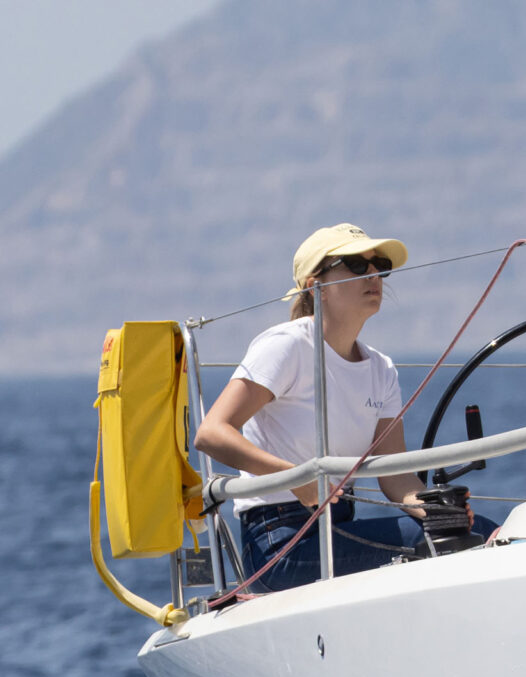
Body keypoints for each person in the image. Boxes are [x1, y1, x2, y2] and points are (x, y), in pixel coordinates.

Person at [196, 224, 481, 590]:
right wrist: (296, 478)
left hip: (338, 529)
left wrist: (439, 511)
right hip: (278, 545)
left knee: (475, 531)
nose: (373, 274)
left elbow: (395, 477)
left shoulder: (381, 369)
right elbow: (211, 433)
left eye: (379, 265)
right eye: (357, 265)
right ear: (317, 286)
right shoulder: (286, 346)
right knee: (437, 543)